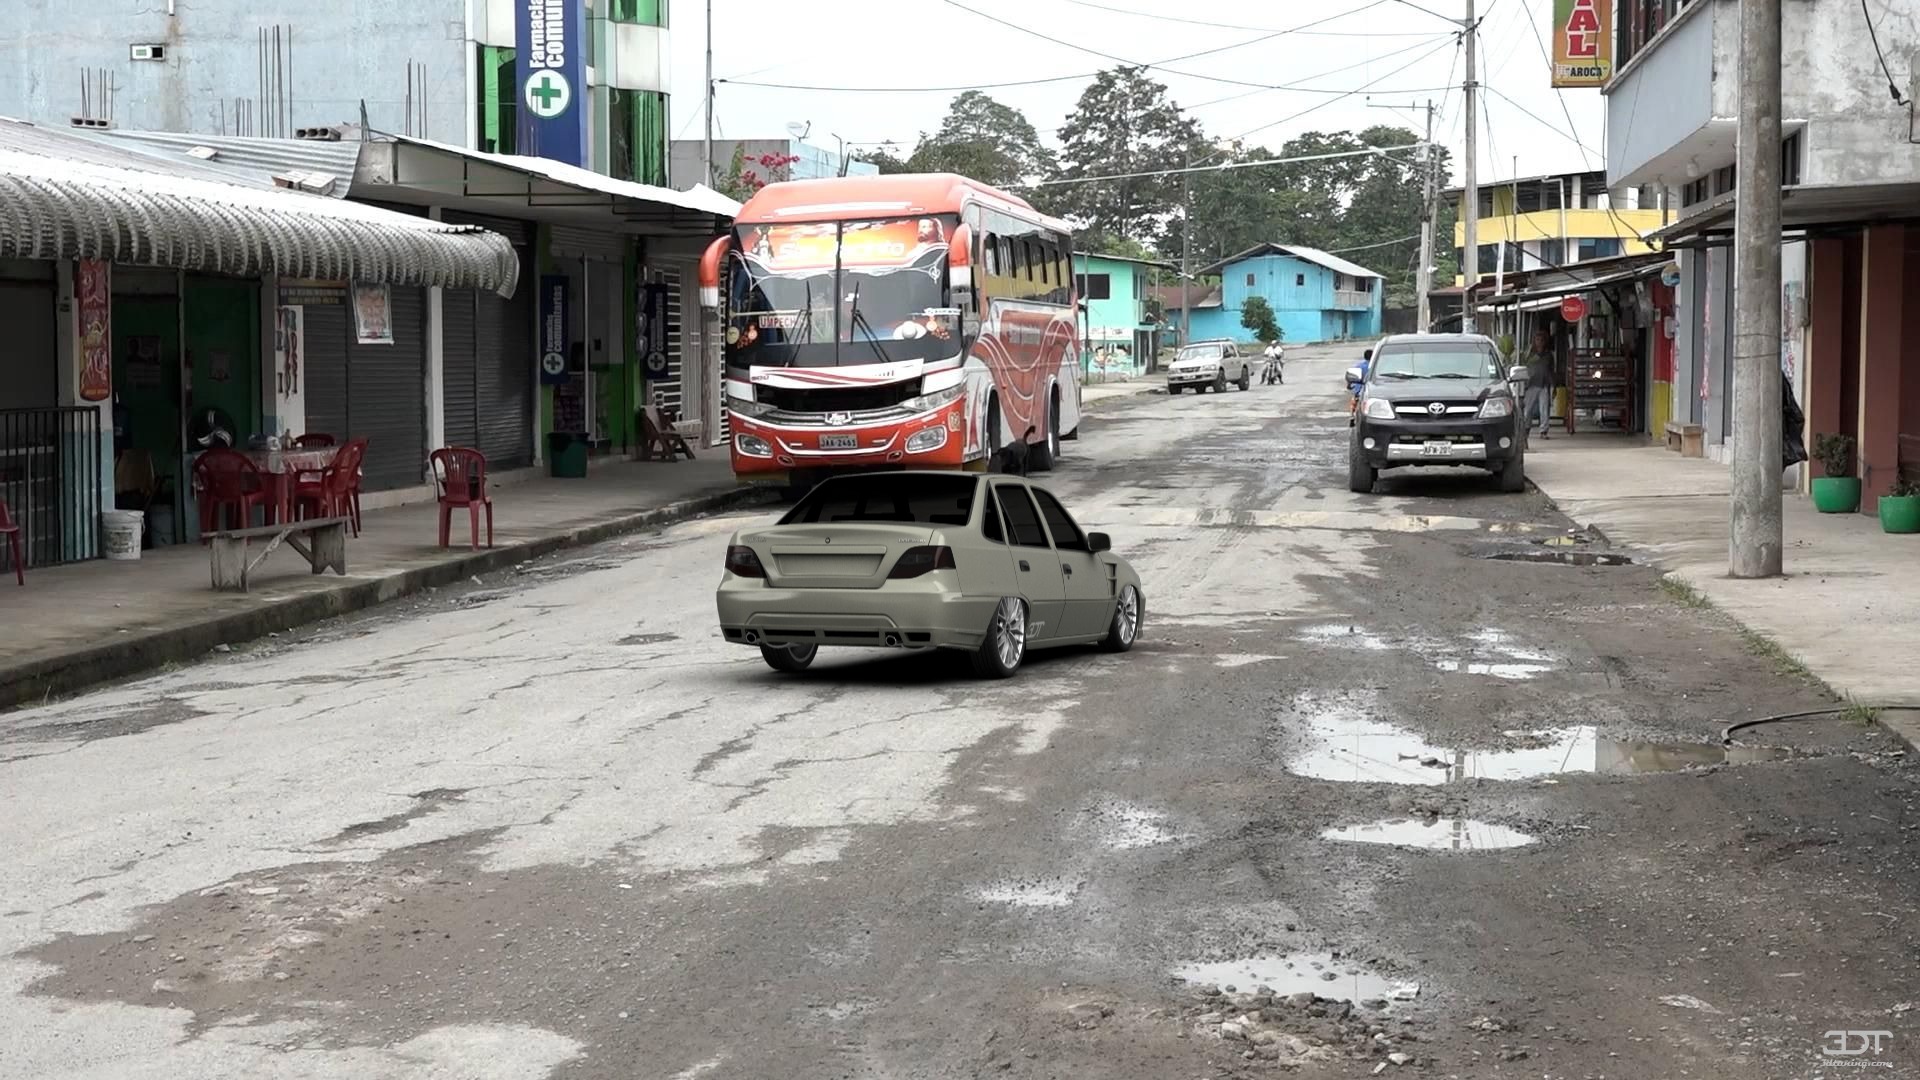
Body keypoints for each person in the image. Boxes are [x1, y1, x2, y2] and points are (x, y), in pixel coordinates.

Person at [1524, 330, 1556, 440]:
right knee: (1528, 409)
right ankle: (1526, 429)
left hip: (1544, 384)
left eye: (1541, 340)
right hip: (1531, 384)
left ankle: (1543, 431)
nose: (1539, 342)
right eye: (1537, 340)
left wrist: (1553, 385)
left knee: (1544, 409)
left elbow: (1551, 370)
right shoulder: (1530, 354)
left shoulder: (1548, 355)